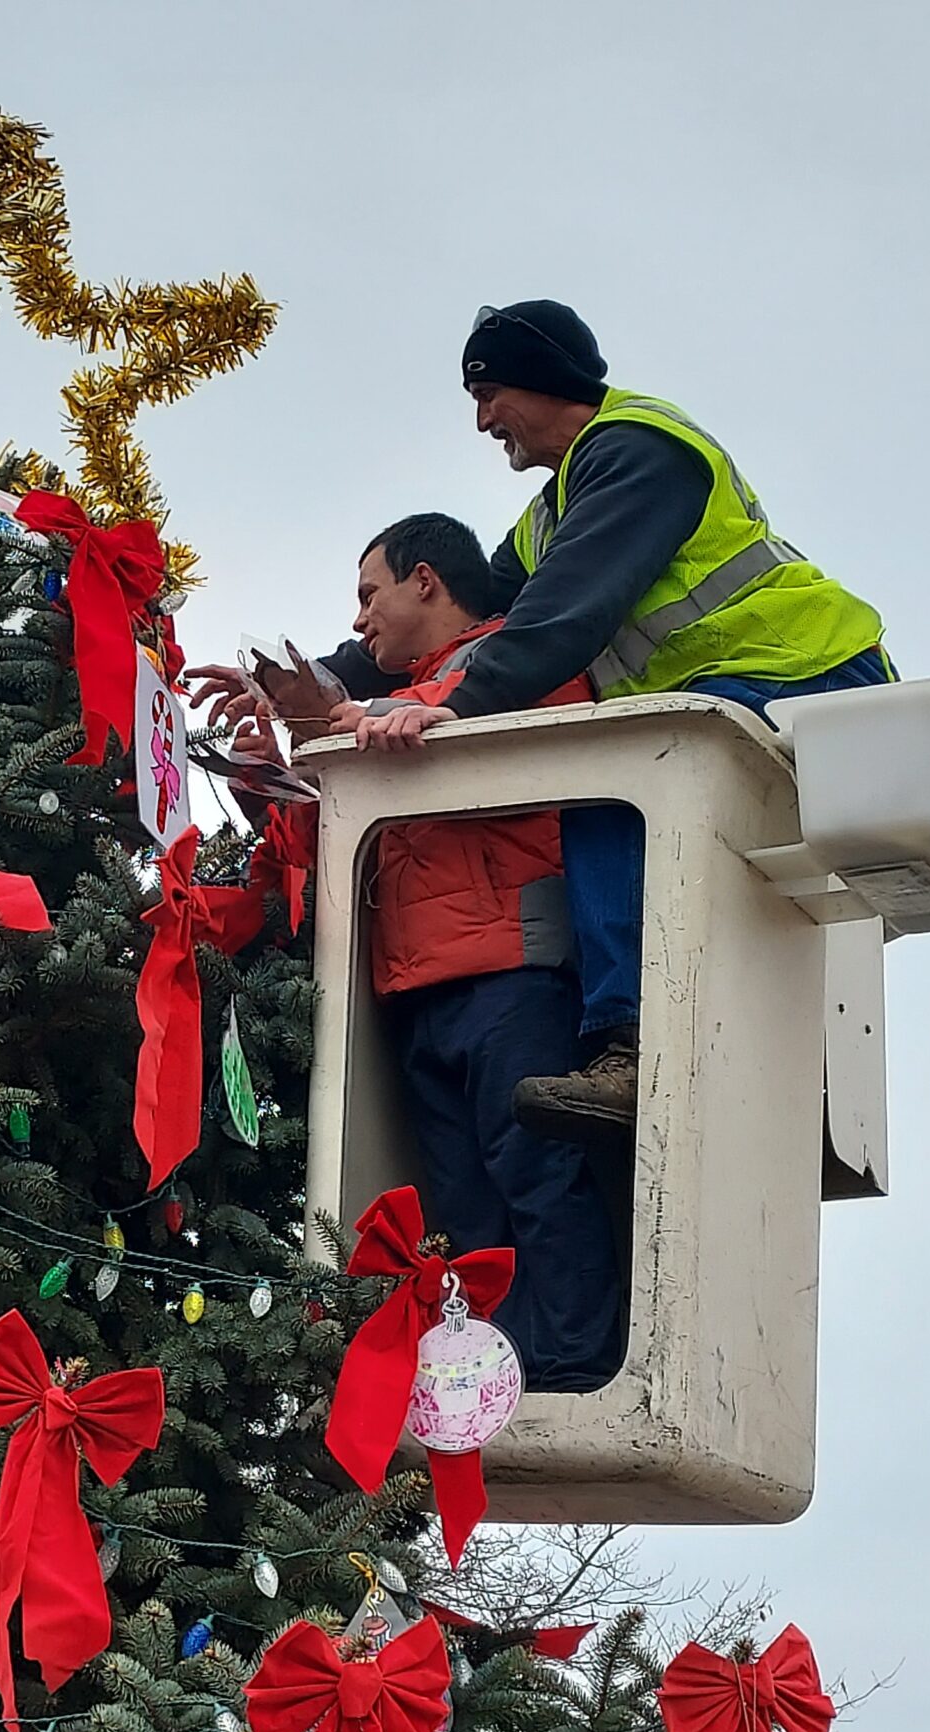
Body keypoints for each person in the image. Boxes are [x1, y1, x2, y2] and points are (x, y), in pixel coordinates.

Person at [350, 300, 899, 1141]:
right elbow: (474, 611)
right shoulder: (551, 510)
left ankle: (631, 1046)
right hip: (731, 689)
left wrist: (446, 707)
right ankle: (638, 1031)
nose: (482, 419)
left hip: (810, 673)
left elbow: (558, 621)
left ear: (544, 380)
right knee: (615, 784)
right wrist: (311, 681)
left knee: (608, 786)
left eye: (490, 392)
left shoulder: (641, 452)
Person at [223, 514, 626, 1390]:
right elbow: (325, 850)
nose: (361, 620)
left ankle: (572, 1364)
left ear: (428, 581)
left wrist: (362, 717)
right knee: (467, 1204)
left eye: (371, 594)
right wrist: (270, 775)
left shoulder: (517, 660)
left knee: (541, 1176)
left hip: (511, 971)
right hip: (415, 987)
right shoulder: (404, 701)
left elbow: (534, 750)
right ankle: (502, 1373)